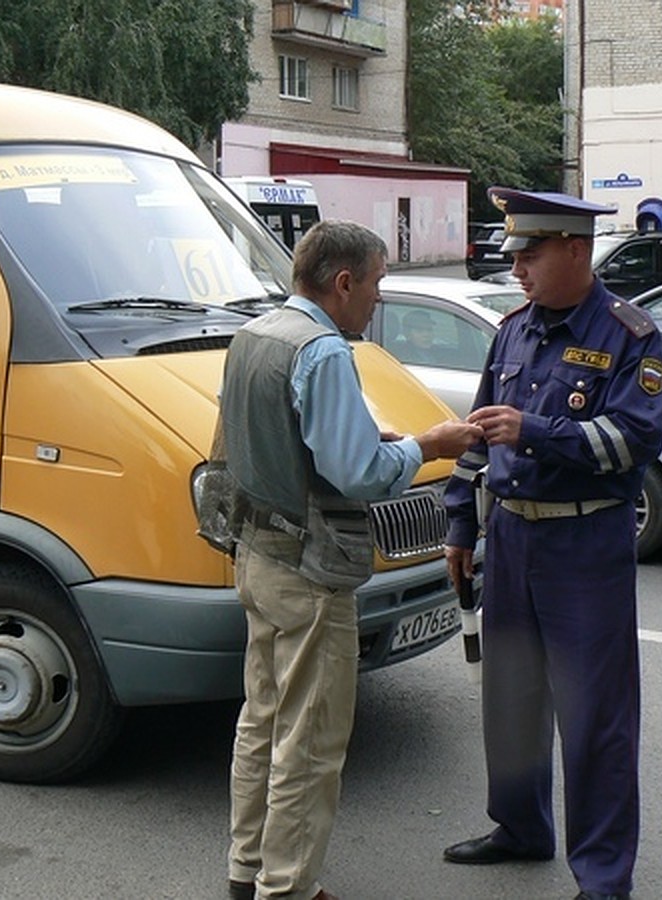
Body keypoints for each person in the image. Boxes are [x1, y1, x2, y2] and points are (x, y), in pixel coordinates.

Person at [217, 219, 483, 900]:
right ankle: (291, 888)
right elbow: (360, 474)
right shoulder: (325, 351)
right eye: (375, 283)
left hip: (257, 554)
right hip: (310, 568)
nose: (377, 299)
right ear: (343, 283)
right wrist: (428, 445)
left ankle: (247, 872)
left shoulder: (254, 335)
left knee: (261, 720)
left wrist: (366, 440)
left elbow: (247, 445)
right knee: (309, 740)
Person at [441, 188, 662, 900]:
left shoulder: (629, 336)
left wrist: (537, 431)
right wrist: (460, 522)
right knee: (510, 701)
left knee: (594, 718)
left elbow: (635, 440)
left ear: (576, 250)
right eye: (513, 255)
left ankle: (602, 878)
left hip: (585, 545)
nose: (516, 269)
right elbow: (480, 433)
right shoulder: (512, 330)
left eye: (530, 254)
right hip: (511, 539)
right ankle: (520, 827)